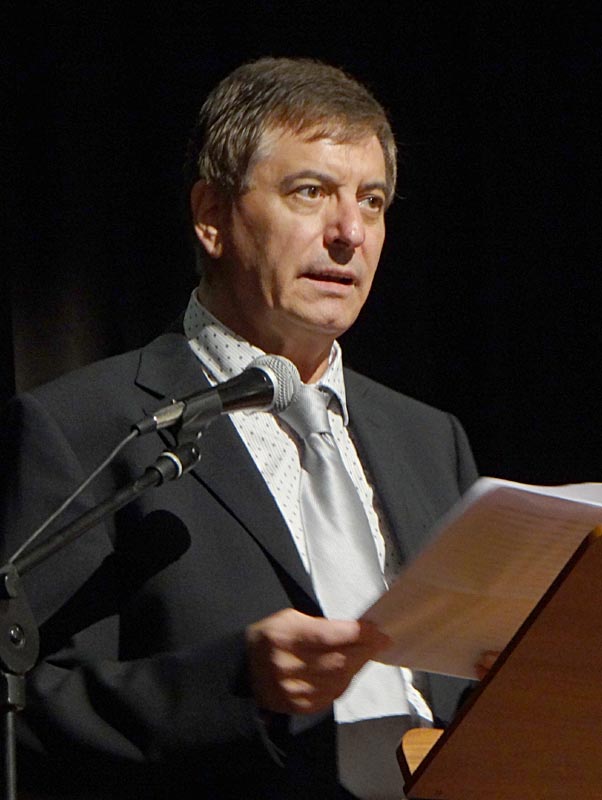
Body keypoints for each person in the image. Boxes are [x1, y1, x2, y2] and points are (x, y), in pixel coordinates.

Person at [0, 58, 479, 799]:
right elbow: (27, 707)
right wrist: (231, 683)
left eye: (373, 200)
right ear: (211, 216)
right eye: (310, 192)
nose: (350, 232)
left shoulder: (430, 440)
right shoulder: (86, 429)